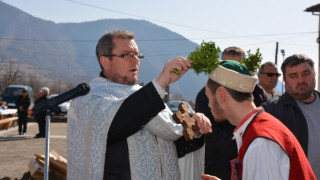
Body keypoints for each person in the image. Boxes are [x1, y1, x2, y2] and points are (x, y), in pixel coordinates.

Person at [67, 30, 212, 180]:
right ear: (105, 61)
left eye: (137, 55)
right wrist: (161, 82)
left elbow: (173, 145)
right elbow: (119, 124)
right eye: (126, 54)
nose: (135, 60)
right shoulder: (90, 98)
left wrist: (195, 127)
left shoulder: (145, 96)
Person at [201, 60, 315, 180]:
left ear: (221, 95)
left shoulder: (259, 143)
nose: (208, 104)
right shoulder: (260, 127)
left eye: (208, 97)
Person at [195, 46, 266, 179]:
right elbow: (211, 133)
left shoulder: (261, 143)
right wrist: (238, 147)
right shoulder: (205, 94)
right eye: (226, 68)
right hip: (218, 162)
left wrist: (243, 148)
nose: (232, 72)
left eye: (237, 67)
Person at [262, 54, 320, 179]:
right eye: (293, 76)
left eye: (306, 74)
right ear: (284, 79)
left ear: (314, 74)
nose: (301, 80)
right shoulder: (270, 111)